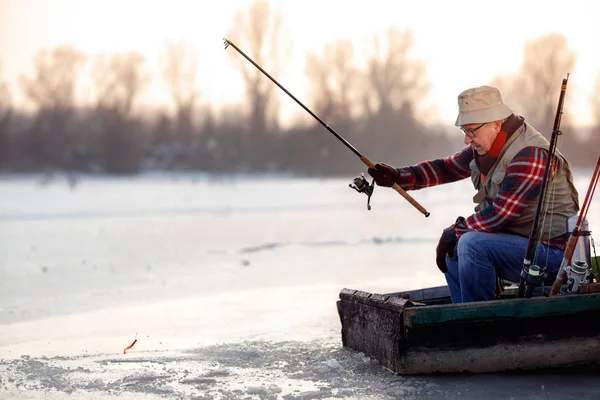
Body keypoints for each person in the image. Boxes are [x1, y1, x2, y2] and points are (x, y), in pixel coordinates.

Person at [367, 85, 580, 303]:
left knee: (471, 244)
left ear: (496, 124)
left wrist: (452, 232)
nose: (467, 140)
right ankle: (464, 314)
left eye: (471, 131)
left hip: (554, 259)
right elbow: (447, 168)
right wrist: (399, 176)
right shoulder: (489, 146)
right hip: (523, 247)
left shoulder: (531, 155)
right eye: (465, 131)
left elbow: (500, 215)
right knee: (458, 247)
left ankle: (477, 321)